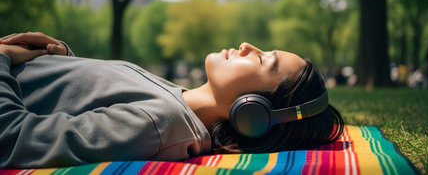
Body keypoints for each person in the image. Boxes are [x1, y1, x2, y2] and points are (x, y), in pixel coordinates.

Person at [0, 32, 344, 169]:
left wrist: (2, 57)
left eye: (261, 59)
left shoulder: (158, 125)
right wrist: (60, 61)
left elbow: (14, 137)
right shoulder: (178, 101)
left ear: (253, 112)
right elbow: (96, 97)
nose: (247, 46)